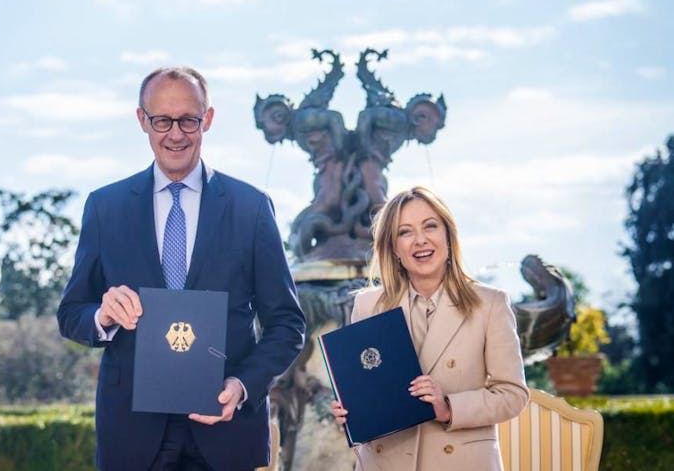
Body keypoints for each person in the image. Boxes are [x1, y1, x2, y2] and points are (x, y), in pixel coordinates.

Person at [58, 66, 306, 471]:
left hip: (227, 433)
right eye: (162, 121)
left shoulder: (252, 209)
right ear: (142, 120)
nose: (176, 134)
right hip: (131, 436)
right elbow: (71, 314)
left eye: (188, 120)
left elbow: (287, 324)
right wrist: (102, 315)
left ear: (207, 119)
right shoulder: (105, 208)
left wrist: (242, 387)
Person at [330, 186, 528, 470]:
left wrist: (448, 407)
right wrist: (350, 414)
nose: (420, 240)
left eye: (430, 226)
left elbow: (513, 395)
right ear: (393, 248)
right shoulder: (367, 305)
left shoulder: (490, 303)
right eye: (405, 232)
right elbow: (366, 389)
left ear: (448, 236)